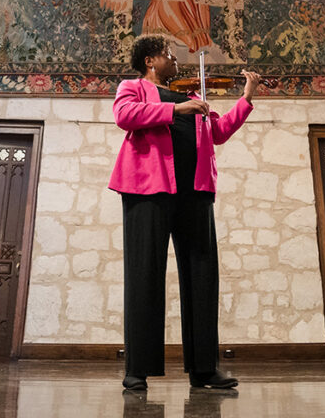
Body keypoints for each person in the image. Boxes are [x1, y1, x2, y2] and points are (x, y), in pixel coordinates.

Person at [110, 33, 262, 391]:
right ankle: (138, 370)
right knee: (144, 274)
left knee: (202, 277)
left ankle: (204, 370)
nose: (176, 61)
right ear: (150, 60)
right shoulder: (133, 87)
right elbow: (125, 116)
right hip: (147, 190)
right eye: (169, 55)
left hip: (195, 193)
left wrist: (246, 98)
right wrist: (176, 110)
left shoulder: (195, 98)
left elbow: (219, 132)